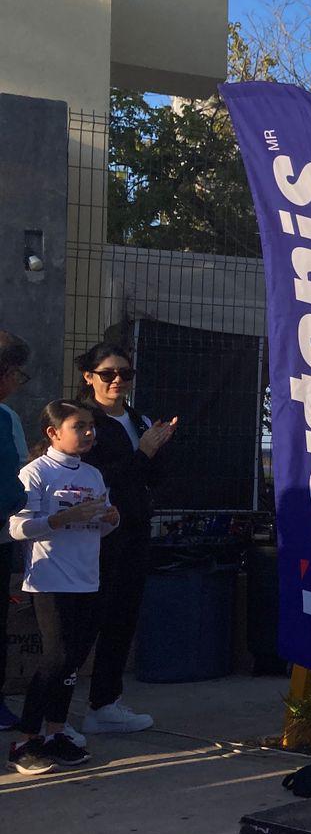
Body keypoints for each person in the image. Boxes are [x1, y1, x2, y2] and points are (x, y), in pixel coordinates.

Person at [7, 400, 120, 774]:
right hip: (50, 580)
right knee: (55, 658)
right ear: (53, 433)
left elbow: (101, 527)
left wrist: (111, 518)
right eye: (78, 426)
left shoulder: (92, 474)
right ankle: (26, 739)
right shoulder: (35, 473)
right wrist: (59, 519)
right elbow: (17, 527)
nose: (88, 433)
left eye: (91, 426)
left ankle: (56, 732)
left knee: (72, 660)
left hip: (87, 579)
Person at [75, 343, 175, 735]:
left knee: (123, 616)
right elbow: (96, 477)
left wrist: (158, 447)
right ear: (89, 377)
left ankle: (105, 703)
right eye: (108, 374)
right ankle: (52, 716)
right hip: (97, 533)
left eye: (125, 374)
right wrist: (143, 453)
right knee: (88, 619)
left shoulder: (137, 419)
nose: (117, 381)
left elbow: (153, 477)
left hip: (134, 527)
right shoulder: (84, 421)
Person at [0, 331, 31, 731]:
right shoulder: (5, 418)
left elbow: (16, 477)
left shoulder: (7, 417)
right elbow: (12, 487)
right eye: (17, 373)